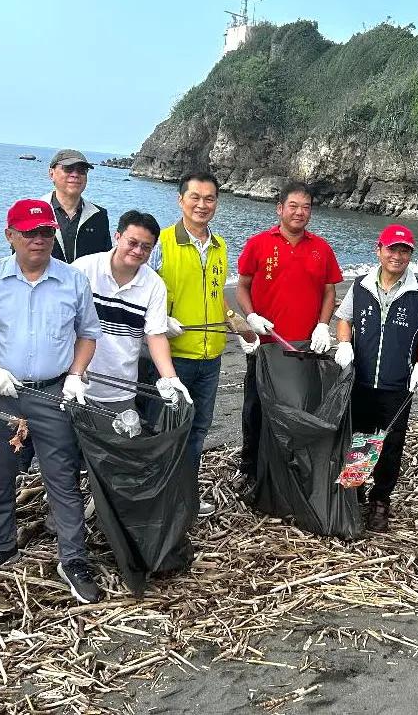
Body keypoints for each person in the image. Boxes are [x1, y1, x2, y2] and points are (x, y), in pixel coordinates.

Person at [0, 199, 103, 604]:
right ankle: (1, 543)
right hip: (1, 390)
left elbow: (87, 333)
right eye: (29, 233)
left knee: (61, 475)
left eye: (46, 232)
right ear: (10, 235)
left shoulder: (72, 280)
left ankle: (73, 558)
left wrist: (76, 374)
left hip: (52, 389)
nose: (39, 240)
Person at [236, 181, 344, 481]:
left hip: (304, 348)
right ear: (280, 208)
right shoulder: (258, 243)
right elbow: (241, 286)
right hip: (266, 344)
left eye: (306, 207)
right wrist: (251, 316)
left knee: (300, 406)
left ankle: (291, 466)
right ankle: (250, 467)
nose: (300, 212)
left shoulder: (321, 248)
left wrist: (323, 324)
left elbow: (329, 291)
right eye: (293, 206)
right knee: (256, 407)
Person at [333, 224, 418, 532]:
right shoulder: (361, 286)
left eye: (404, 251)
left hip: (397, 385)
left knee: (390, 445)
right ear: (379, 250)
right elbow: (344, 319)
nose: (397, 256)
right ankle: (355, 494)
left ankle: (380, 501)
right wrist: (344, 344)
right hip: (361, 381)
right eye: (392, 249)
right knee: (360, 439)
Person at [147, 172, 233, 517]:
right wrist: (159, 322)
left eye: (209, 198)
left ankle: (184, 497)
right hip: (172, 359)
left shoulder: (220, 246)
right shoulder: (162, 243)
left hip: (211, 357)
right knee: (167, 430)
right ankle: (158, 500)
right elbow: (141, 292)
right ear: (180, 200)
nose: (202, 205)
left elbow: (217, 298)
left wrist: (243, 325)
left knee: (198, 429)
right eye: (194, 197)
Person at [71, 210, 192, 415]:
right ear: (117, 237)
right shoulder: (83, 269)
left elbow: (155, 335)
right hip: (73, 381)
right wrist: (72, 373)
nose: (138, 251)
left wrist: (170, 378)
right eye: (132, 242)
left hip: (121, 388)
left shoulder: (154, 285)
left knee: (113, 445)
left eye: (146, 247)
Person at [41, 149, 111, 263]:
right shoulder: (33, 212)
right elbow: (19, 258)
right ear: (51, 173)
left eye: (81, 170)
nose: (75, 175)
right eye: (68, 169)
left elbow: (105, 262)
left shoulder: (99, 215)